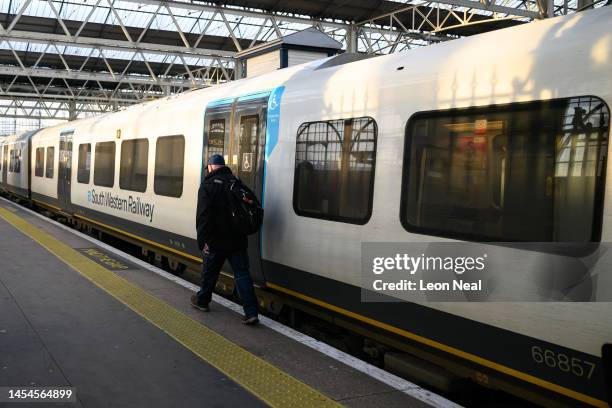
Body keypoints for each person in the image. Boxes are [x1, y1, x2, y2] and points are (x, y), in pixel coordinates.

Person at [191, 154, 259, 325]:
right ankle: (251, 312)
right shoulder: (236, 183)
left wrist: (202, 240)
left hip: (215, 240)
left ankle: (202, 301)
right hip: (237, 240)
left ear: (211, 167)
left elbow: (203, 216)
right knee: (242, 275)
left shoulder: (207, 186)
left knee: (210, 273)